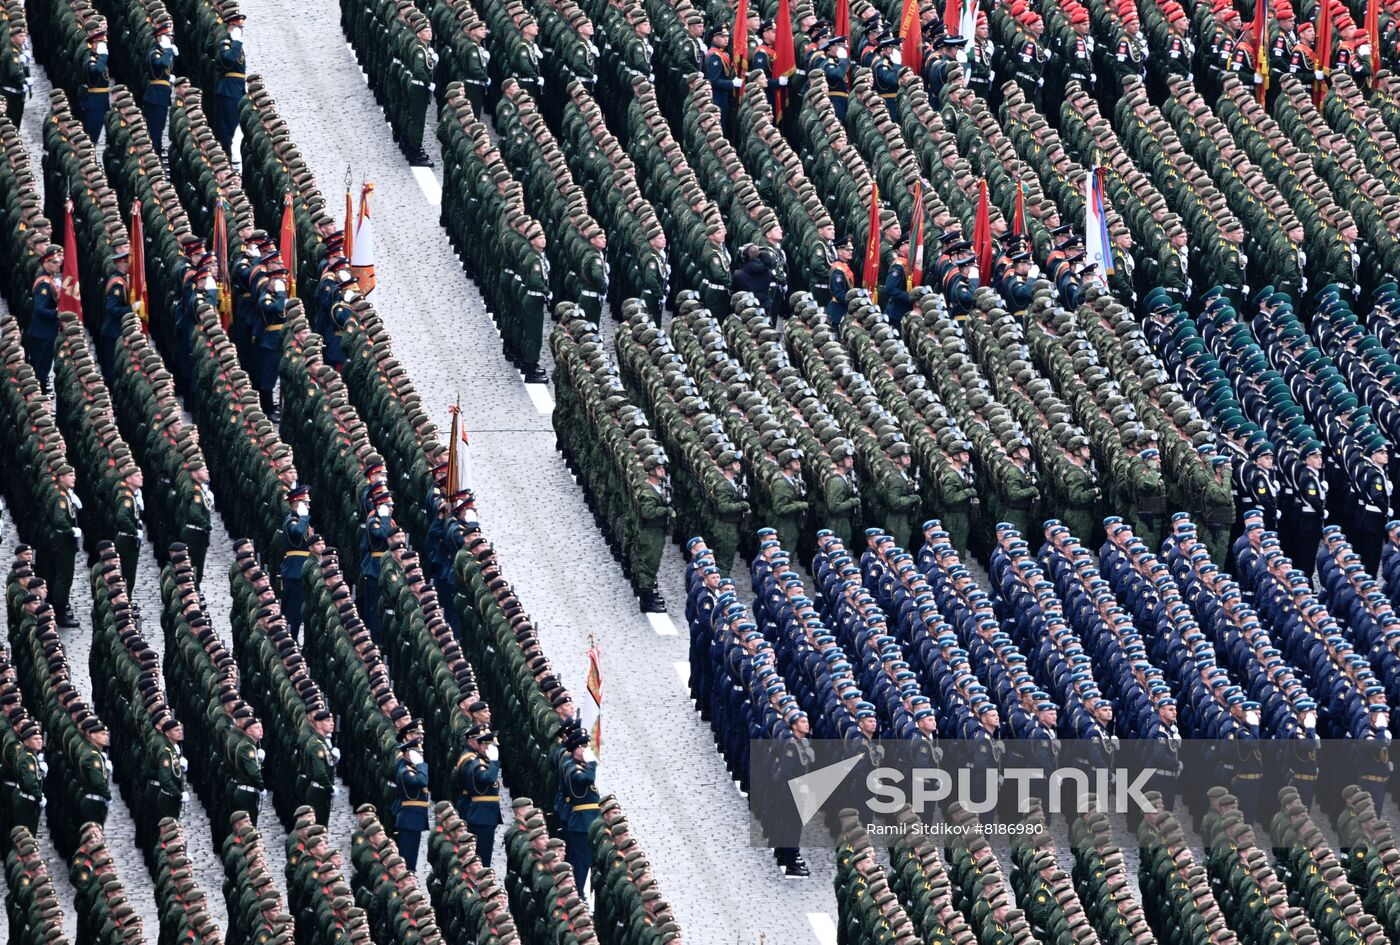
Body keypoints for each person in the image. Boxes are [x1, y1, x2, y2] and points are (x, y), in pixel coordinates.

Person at [555, 730, 600, 891]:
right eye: (585, 747)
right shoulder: (572, 768)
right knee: (581, 860)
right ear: (578, 749)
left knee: (581, 858)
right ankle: (578, 892)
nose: (587, 750)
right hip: (582, 820)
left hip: (587, 818)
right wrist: (591, 763)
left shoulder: (577, 765)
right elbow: (586, 779)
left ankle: (576, 890)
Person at [453, 726, 502, 868]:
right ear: (483, 746)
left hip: (486, 815)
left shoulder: (482, 763)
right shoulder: (477, 765)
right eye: (491, 746)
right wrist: (494, 761)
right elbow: (489, 779)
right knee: (482, 856)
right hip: (482, 815)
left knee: (484, 853)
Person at [25, 245, 62, 392]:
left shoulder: (50, 279)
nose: (58, 264)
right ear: (45, 263)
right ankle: (40, 395)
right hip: (42, 333)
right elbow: (39, 309)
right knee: (41, 368)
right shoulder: (44, 284)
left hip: (45, 331)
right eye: (54, 262)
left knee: (45, 367)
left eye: (58, 261)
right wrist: (57, 313)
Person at [279, 485, 312, 640]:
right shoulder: (292, 521)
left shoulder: (299, 521)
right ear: (296, 505)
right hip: (294, 570)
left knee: (298, 611)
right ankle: (290, 639)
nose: (308, 507)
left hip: (300, 568)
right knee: (293, 611)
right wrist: (304, 517)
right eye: (305, 503)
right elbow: (297, 532)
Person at [392, 736, 430, 871]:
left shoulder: (413, 770)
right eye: (418, 753)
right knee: (407, 859)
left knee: (412, 857)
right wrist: (421, 765)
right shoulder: (405, 772)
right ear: (408, 754)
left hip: (414, 819)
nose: (421, 756)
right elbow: (422, 781)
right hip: (409, 819)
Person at [214, 16, 247, 157]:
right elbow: (229, 59)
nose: (240, 31)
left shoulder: (235, 45)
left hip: (237, 89)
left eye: (241, 28)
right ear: (230, 29)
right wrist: (237, 42)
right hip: (228, 90)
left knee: (236, 124)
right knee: (228, 127)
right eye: (237, 28)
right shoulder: (226, 45)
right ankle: (227, 156)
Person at [143, 23, 176, 157]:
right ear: (159, 38)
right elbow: (162, 64)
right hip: (155, 95)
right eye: (167, 36)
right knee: (155, 128)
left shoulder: (163, 53)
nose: (171, 38)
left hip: (162, 95)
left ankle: (157, 149)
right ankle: (155, 153)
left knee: (160, 126)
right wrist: (168, 50)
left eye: (171, 36)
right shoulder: (155, 54)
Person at [705, 24, 740, 133]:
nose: (726, 39)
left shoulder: (723, 53)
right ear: (714, 38)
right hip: (718, 98)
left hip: (724, 98)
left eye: (727, 36)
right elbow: (714, 81)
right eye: (722, 36)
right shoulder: (715, 56)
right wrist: (732, 84)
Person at [80, 24, 110, 142]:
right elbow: (97, 70)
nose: (104, 46)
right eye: (101, 43)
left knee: (95, 134)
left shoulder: (97, 59)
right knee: (90, 136)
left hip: (101, 100)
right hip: (94, 101)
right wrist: (103, 56)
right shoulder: (90, 60)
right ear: (94, 44)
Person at [827, 235, 854, 331]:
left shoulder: (845, 266)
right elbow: (838, 292)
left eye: (851, 249)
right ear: (839, 251)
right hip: (837, 311)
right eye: (847, 250)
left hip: (843, 309)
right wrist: (853, 301)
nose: (850, 252)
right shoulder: (838, 270)